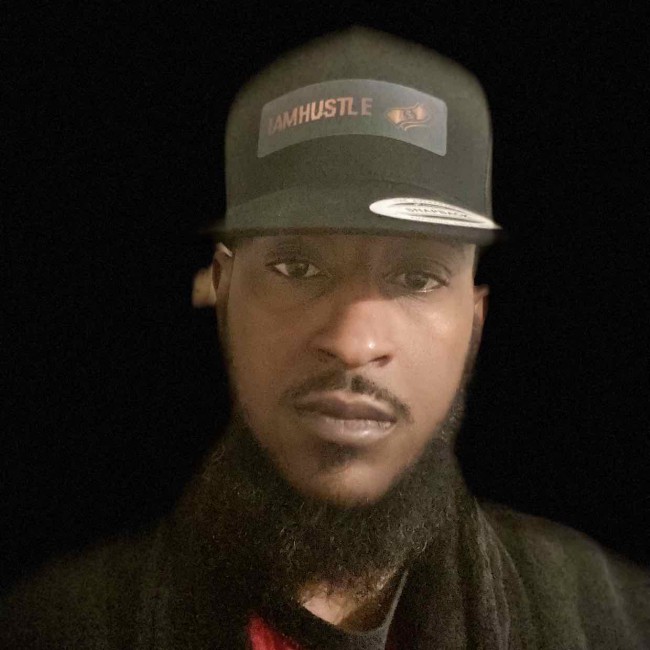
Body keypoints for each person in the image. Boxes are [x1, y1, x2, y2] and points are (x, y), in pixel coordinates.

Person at [2, 25, 648, 650]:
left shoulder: (610, 615)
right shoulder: (52, 624)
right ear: (223, 292)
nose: (353, 342)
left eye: (418, 277)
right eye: (296, 268)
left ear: (474, 323)